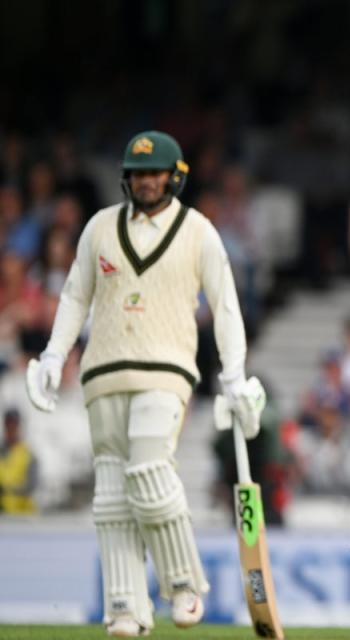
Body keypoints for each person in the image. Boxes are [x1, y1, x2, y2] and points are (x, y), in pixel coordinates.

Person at [24, 131, 265, 638]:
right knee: (111, 497)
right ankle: (125, 607)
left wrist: (235, 374)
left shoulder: (198, 231)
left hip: (166, 369)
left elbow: (225, 306)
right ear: (125, 178)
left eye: (156, 172)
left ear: (175, 177)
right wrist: (52, 354)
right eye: (138, 173)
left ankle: (183, 583)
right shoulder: (99, 228)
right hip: (102, 373)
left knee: (151, 471)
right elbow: (74, 297)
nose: (147, 181)